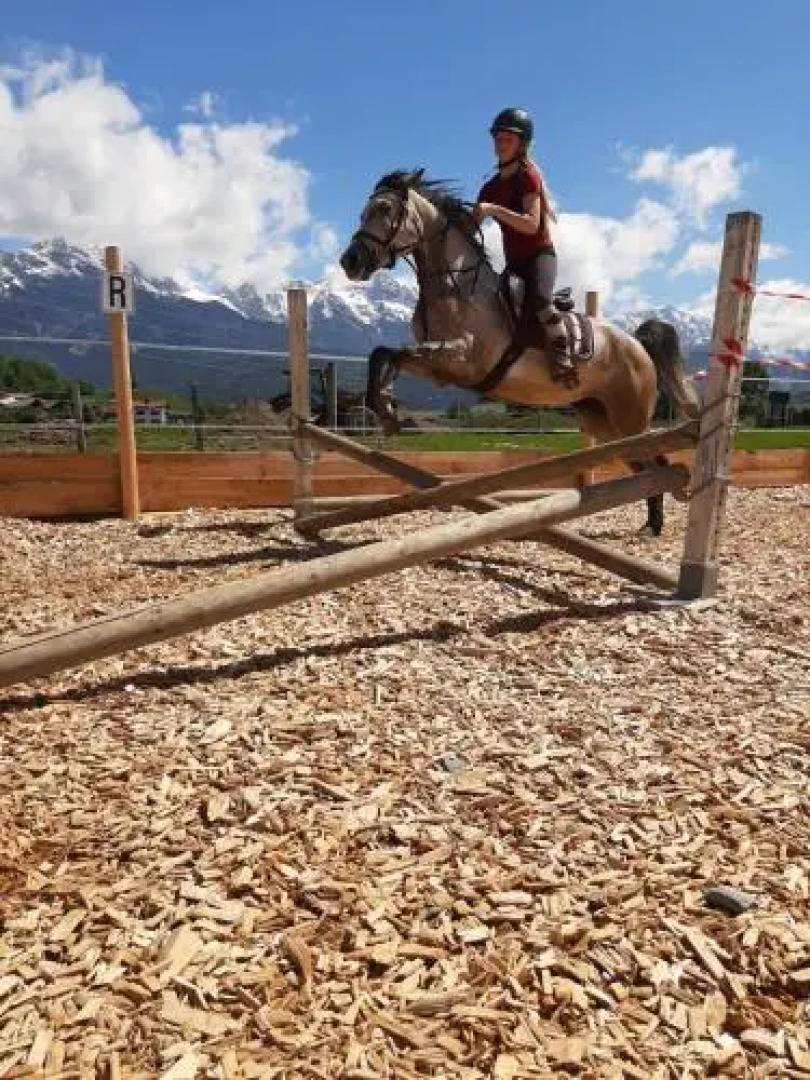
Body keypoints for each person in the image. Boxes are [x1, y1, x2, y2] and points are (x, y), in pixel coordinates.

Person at [473, 107, 576, 384]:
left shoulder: (528, 177)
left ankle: (563, 358)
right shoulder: (489, 187)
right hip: (514, 263)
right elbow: (471, 227)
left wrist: (494, 209)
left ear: (522, 145)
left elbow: (532, 225)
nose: (500, 144)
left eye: (507, 139)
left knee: (540, 299)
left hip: (540, 256)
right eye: (498, 138)